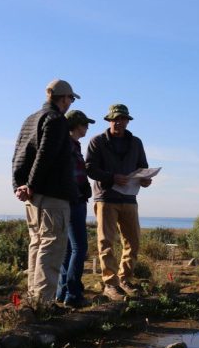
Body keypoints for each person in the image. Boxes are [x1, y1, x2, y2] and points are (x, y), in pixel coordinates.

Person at [12, 79, 80, 310]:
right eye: (71, 98)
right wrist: (30, 184)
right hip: (52, 194)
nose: (70, 103)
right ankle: (43, 304)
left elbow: (18, 155)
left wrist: (20, 185)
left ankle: (34, 298)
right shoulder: (56, 120)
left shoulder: (30, 119)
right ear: (62, 98)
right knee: (51, 247)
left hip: (33, 195)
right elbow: (45, 155)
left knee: (37, 244)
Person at [85, 104, 152, 301]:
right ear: (109, 120)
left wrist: (146, 179)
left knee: (133, 241)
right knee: (106, 241)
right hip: (106, 197)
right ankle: (110, 284)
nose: (118, 122)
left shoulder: (136, 143)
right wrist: (112, 177)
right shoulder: (97, 141)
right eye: (115, 119)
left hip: (130, 198)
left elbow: (143, 168)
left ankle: (125, 279)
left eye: (122, 119)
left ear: (127, 121)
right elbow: (90, 168)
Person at [56, 109, 96, 308]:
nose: (87, 128)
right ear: (76, 125)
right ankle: (73, 295)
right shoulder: (68, 146)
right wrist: (81, 190)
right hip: (74, 201)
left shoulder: (73, 145)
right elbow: (70, 175)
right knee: (80, 248)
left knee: (70, 249)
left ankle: (62, 293)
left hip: (73, 200)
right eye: (84, 124)